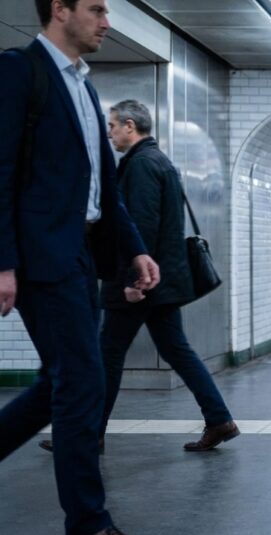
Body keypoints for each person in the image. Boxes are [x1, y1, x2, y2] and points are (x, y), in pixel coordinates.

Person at [0, 0, 164, 535]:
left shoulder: (87, 89)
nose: (106, 20)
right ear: (60, 9)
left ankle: (88, 523)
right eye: (95, 8)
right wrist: (3, 263)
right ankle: (89, 526)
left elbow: (105, 189)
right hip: (44, 258)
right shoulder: (21, 71)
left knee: (61, 383)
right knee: (83, 385)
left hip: (80, 256)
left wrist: (135, 250)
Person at [39, 100, 239, 454]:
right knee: (176, 351)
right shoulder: (156, 160)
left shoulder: (143, 164)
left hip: (142, 281)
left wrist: (133, 281)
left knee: (108, 354)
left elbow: (140, 226)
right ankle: (219, 419)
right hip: (160, 280)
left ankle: (88, 433)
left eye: (113, 126)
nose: (110, 133)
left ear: (130, 126)